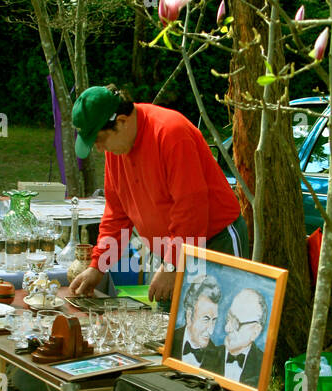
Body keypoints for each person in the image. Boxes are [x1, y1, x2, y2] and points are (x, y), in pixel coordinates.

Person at [66, 85, 248, 302]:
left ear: (122, 122)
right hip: (171, 249)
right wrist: (98, 265)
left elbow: (191, 210)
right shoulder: (117, 149)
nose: (99, 149)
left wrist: (172, 265)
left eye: (99, 140)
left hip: (215, 242)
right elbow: (117, 215)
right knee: (168, 329)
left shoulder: (171, 133)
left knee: (218, 327)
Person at [171, 276, 224, 370]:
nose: (211, 331)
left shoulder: (219, 359)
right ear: (189, 316)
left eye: (214, 320)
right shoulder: (171, 340)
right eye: (206, 319)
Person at [222, 286, 268, 387]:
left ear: (255, 332)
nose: (227, 328)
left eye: (236, 323)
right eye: (228, 318)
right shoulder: (207, 353)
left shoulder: (264, 367)